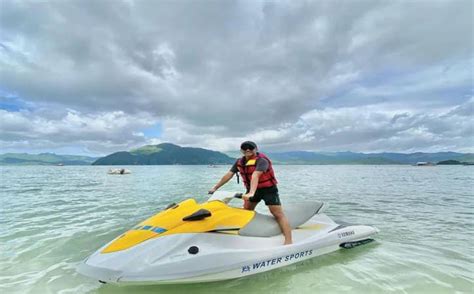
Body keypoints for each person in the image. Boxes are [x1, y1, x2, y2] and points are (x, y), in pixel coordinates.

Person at [209, 141, 293, 245]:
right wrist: (215, 188)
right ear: (241, 150)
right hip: (252, 191)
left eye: (251, 147)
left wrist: (251, 192)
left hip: (268, 190)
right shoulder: (239, 162)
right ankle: (246, 234)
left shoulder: (262, 160)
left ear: (256, 149)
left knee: (278, 214)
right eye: (245, 148)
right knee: (246, 211)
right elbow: (229, 175)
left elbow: (255, 175)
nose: (247, 150)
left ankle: (288, 241)